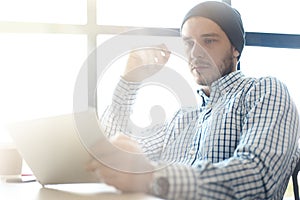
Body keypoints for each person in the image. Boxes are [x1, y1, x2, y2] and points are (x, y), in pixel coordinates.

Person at [87, 1, 300, 199]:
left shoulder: (264, 91)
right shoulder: (182, 117)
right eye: (188, 43)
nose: (195, 53)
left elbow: (257, 176)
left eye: (208, 41)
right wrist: (130, 80)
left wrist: (151, 177)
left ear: (235, 48)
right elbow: (112, 153)